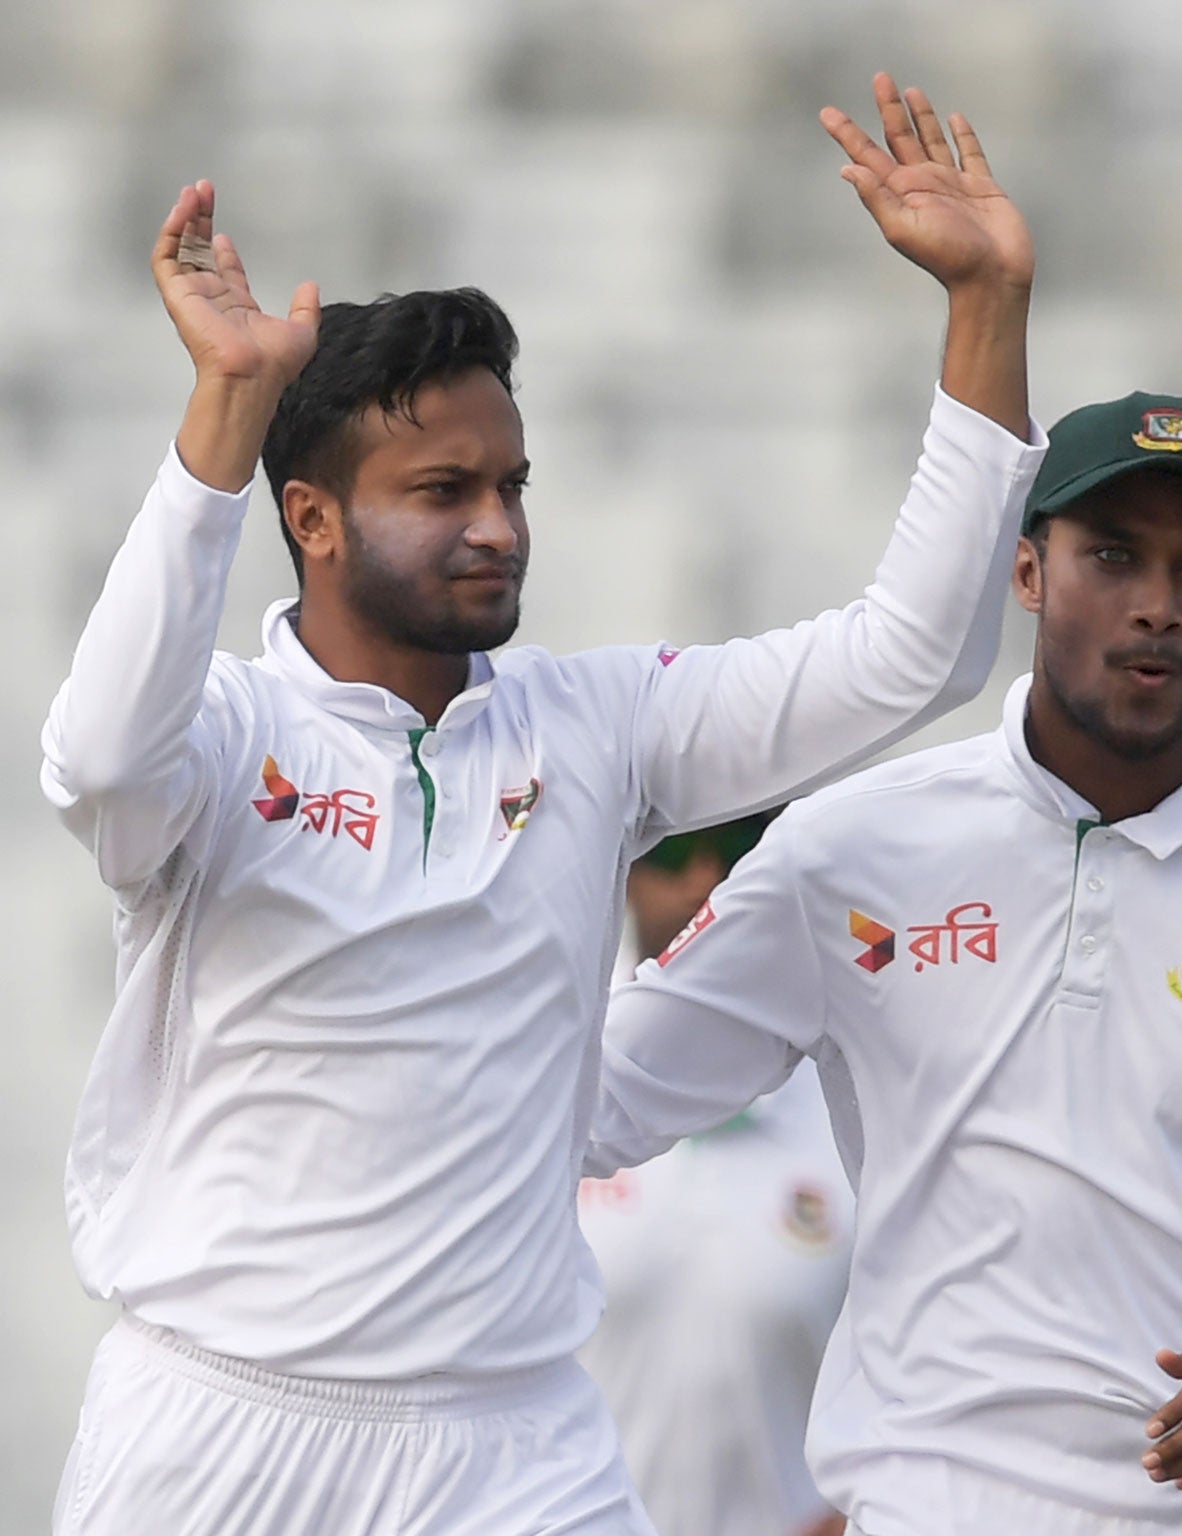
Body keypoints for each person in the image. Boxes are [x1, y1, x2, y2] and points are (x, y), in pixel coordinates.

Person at [41, 75, 1043, 1536]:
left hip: (511, 1444)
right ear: (311, 518)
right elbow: (101, 766)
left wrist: (986, 308)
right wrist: (222, 418)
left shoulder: (595, 725)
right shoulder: (219, 738)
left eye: (513, 483)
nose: (500, 526)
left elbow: (915, 655)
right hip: (220, 1430)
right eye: (443, 490)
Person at [589, 392, 1182, 1536]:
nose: (1157, 608)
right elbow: (598, 1098)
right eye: (1111, 557)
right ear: (1025, 571)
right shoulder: (852, 846)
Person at [580, 817, 853, 1536]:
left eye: (738, 850)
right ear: (623, 868)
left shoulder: (855, 1108)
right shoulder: (545, 1076)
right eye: (672, 850)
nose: (705, 877)